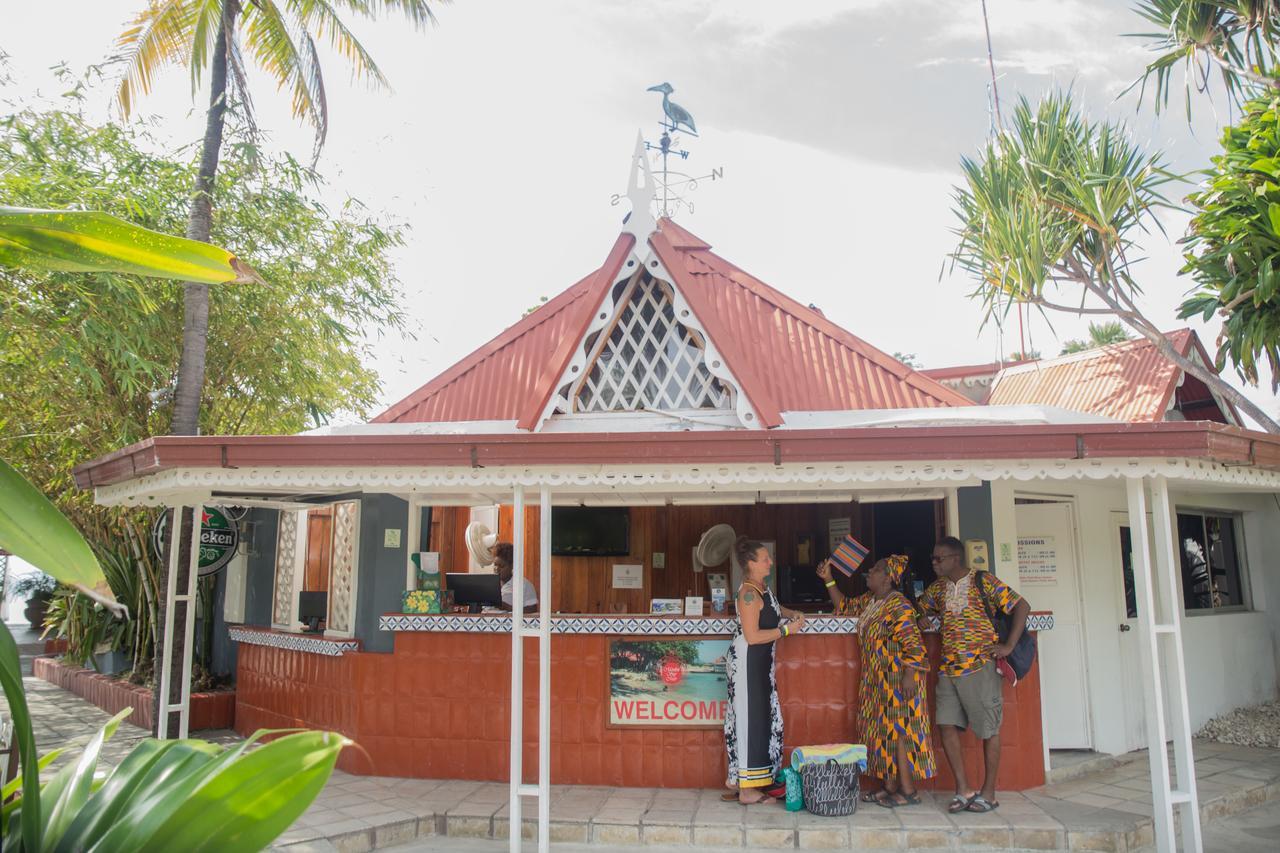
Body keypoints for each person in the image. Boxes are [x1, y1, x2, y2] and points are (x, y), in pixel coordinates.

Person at [918, 536, 1030, 814]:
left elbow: (1021, 606)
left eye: (938, 558)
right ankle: (963, 789)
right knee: (946, 726)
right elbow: (920, 605)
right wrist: (919, 615)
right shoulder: (939, 589)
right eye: (933, 558)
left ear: (955, 558)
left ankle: (989, 794)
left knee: (988, 730)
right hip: (948, 669)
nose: (933, 563)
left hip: (980, 666)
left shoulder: (983, 580)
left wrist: (1008, 646)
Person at [723, 536, 806, 804]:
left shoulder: (762, 588)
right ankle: (747, 791)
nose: (770, 561)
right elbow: (752, 635)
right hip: (747, 662)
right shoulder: (747, 594)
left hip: (760, 664)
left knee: (760, 720)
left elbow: (774, 608)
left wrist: (792, 613)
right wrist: (786, 630)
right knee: (749, 722)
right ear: (750, 563)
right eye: (765, 559)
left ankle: (743, 781)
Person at [492, 542, 537, 612]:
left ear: (512, 566)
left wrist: (508, 607)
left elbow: (533, 610)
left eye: (501, 566)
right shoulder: (488, 584)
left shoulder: (525, 586)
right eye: (495, 565)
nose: (497, 569)